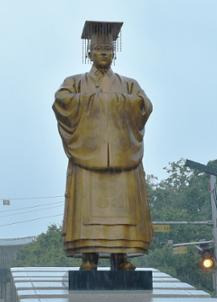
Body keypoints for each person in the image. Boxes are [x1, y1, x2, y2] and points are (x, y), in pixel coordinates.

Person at [53, 21, 153, 271]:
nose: (104, 56)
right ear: (90, 54)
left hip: (122, 154)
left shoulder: (129, 83)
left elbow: (144, 105)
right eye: (99, 51)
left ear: (114, 55)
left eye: (109, 52)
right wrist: (98, 101)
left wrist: (114, 102)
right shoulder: (74, 82)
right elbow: (61, 101)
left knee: (125, 205)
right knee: (88, 205)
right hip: (87, 154)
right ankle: (90, 256)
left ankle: (121, 256)